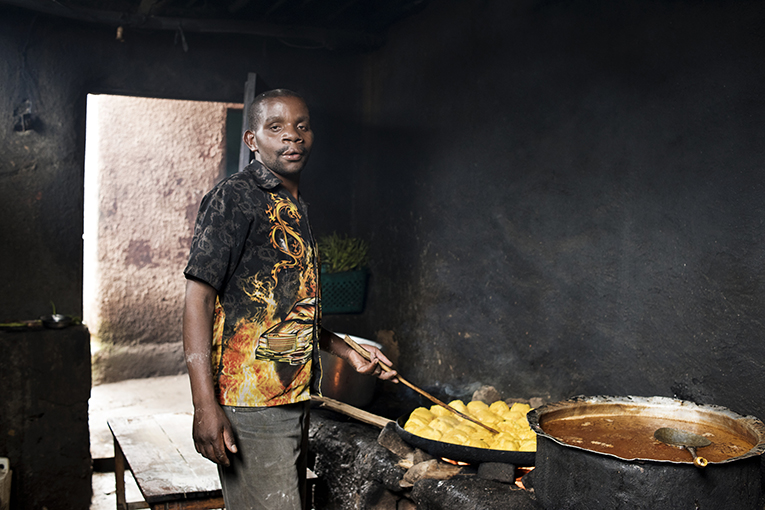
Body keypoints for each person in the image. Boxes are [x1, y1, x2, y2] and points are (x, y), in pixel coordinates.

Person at [182, 88, 396, 510]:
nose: (292, 137)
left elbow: (281, 313)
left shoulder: (293, 205)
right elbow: (197, 299)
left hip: (292, 397)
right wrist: (204, 406)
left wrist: (345, 351)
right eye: (276, 127)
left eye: (301, 126)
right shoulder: (235, 198)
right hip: (251, 401)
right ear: (252, 140)